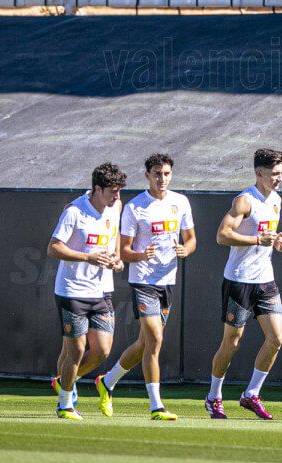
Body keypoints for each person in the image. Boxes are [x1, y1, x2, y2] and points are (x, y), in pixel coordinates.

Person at [97, 153, 195, 420]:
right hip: (143, 282)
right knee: (156, 339)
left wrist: (185, 250)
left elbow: (191, 240)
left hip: (167, 281)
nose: (161, 179)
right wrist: (142, 255)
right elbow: (124, 251)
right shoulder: (135, 207)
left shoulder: (180, 202)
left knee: (145, 343)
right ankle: (156, 405)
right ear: (147, 176)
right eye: (156, 174)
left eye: (166, 174)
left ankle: (107, 382)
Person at [205, 148, 282, 420]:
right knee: (232, 341)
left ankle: (251, 394)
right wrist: (256, 241)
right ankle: (214, 396)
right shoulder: (244, 201)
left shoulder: (276, 200)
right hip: (239, 281)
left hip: (266, 280)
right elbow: (222, 235)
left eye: (281, 172)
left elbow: (266, 235)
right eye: (274, 173)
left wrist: (276, 242)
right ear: (258, 173)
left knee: (276, 338)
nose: (279, 178)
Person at [48, 163, 126, 420]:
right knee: (76, 350)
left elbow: (113, 234)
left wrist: (116, 258)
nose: (117, 197)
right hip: (72, 291)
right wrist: (87, 257)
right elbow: (54, 248)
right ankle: (64, 404)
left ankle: (64, 382)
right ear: (96, 189)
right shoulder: (74, 211)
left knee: (102, 350)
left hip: (102, 292)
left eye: (118, 191)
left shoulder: (116, 206)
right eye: (112, 192)